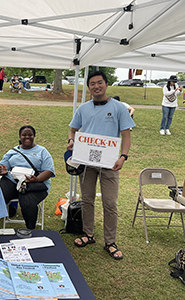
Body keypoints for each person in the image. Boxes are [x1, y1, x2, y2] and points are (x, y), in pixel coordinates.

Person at [67, 71, 135, 260]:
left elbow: (126, 135)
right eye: (92, 84)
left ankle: (110, 242)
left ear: (106, 84)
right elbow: (73, 130)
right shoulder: (83, 109)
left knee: (110, 203)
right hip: (87, 163)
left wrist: (123, 157)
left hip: (110, 164)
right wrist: (71, 141)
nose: (96, 86)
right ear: (88, 87)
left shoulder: (119, 108)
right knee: (87, 200)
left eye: (99, 83)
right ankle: (88, 234)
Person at [0, 125, 55, 229]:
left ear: (34, 136)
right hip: (12, 181)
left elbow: (49, 171)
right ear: (20, 137)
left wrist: (36, 179)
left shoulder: (42, 151)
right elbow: (2, 165)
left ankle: (30, 229)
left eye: (30, 135)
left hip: (34, 183)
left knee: (27, 200)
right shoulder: (13, 151)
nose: (27, 137)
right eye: (24, 135)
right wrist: (2, 170)